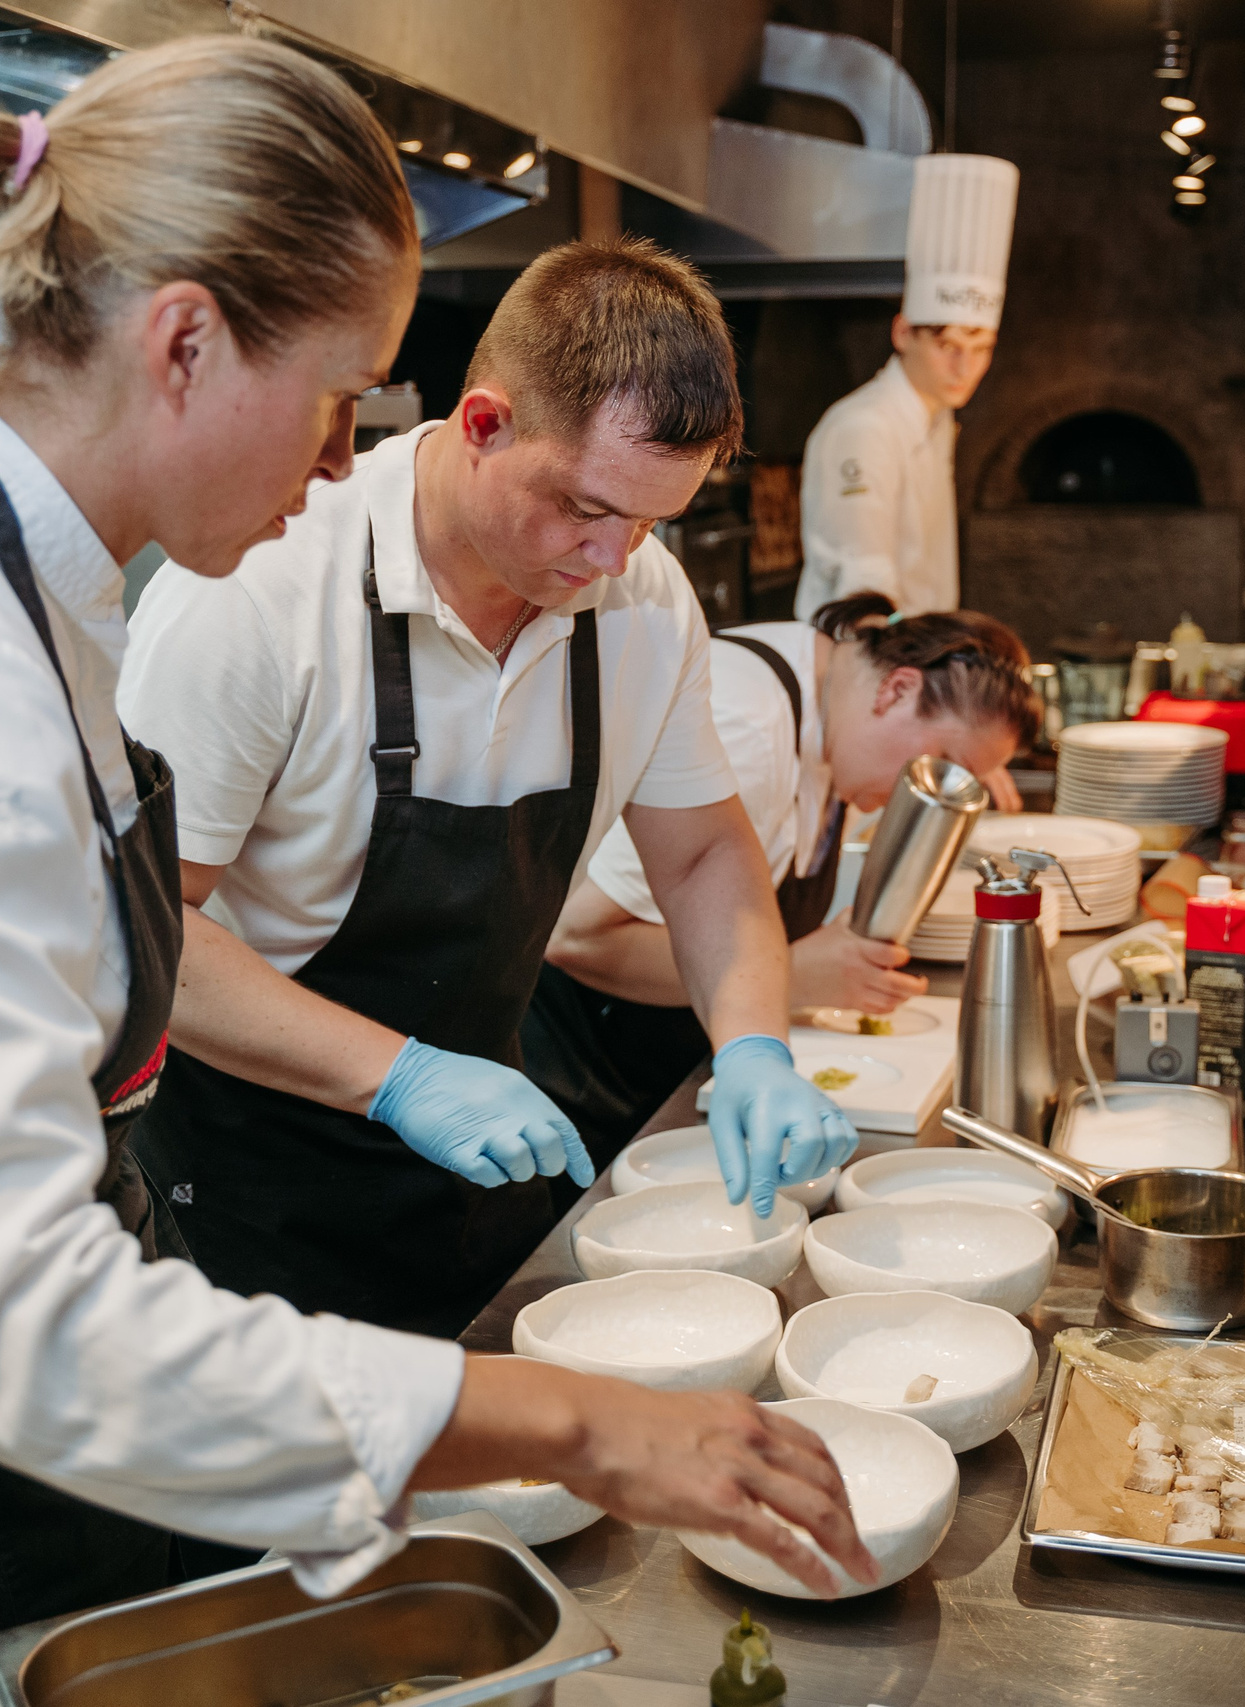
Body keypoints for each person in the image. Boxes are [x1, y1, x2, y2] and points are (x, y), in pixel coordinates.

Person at [0, 40, 871, 1704]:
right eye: (341, 393)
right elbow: (26, 1324)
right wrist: (579, 1421)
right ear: (184, 343)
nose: (345, 458)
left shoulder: (17, 595)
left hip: (19, 1431)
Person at [119, 237, 858, 1339]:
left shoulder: (643, 602)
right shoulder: (262, 587)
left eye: (649, 521)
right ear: (483, 424)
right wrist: (402, 1078)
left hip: (473, 1174)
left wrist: (753, 1041)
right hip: (246, 1188)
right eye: (585, 507)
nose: (613, 558)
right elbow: (138, 933)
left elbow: (704, 852)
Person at [524, 593, 1034, 1164]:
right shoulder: (744, 724)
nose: (925, 791)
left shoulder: (831, 714)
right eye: (941, 763)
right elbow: (576, 937)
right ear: (898, 689)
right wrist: (792, 974)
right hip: (576, 1077)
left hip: (665, 1062)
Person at [794, 153, 1019, 625]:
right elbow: (865, 592)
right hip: (868, 657)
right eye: (947, 345)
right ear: (902, 333)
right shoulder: (865, 429)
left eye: (981, 348)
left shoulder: (937, 420)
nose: (965, 367)